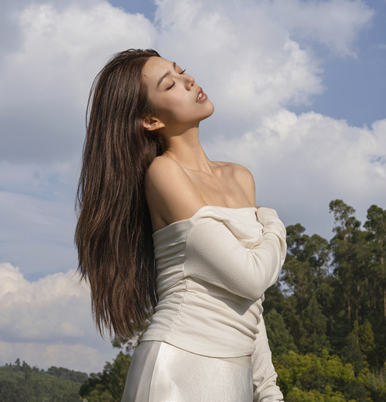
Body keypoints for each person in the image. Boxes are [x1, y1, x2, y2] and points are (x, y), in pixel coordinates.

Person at [75, 48, 287, 402]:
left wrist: (267, 389)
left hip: (235, 373)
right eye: (170, 84)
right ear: (150, 120)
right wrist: (273, 222)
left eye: (182, 71)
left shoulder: (240, 176)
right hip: (178, 368)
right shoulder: (165, 174)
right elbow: (251, 277)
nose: (188, 80)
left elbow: (250, 301)